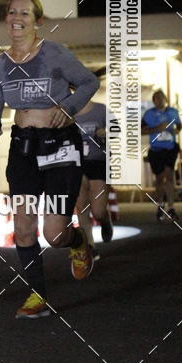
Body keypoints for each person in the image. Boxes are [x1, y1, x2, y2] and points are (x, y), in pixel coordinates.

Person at [0, 0, 99, 319]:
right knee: (22, 227)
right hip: (23, 147)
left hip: (60, 145)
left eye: (24, 12)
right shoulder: (0, 65)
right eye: (11, 12)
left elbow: (89, 82)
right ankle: (37, 295)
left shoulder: (54, 53)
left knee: (55, 234)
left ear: (38, 21)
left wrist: (68, 108)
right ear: (6, 19)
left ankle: (76, 242)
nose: (16, 17)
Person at [74, 101, 114, 261]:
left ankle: (105, 220)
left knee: (98, 211)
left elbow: (117, 129)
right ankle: (90, 245)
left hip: (99, 161)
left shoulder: (101, 109)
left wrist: (107, 131)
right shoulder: (67, 110)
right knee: (81, 206)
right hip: (76, 162)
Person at [142, 90, 182, 221]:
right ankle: (160, 204)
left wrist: (174, 130)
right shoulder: (149, 114)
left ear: (165, 99)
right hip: (156, 150)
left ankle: (171, 208)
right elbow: (141, 130)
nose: (160, 100)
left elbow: (179, 127)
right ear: (154, 101)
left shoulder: (173, 112)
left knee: (169, 175)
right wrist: (157, 129)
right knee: (159, 179)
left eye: (161, 97)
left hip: (170, 148)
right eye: (157, 98)